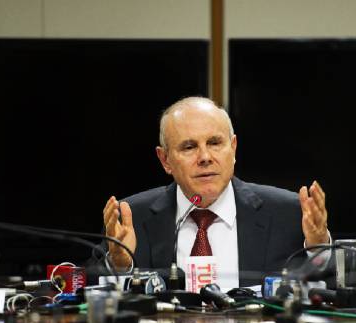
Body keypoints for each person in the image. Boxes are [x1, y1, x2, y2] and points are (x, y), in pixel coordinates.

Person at [102, 97, 330, 288]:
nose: (205, 157)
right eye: (189, 147)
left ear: (233, 148)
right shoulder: (130, 218)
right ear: (165, 160)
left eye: (214, 143)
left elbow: (332, 287)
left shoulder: (288, 213)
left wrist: (319, 247)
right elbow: (91, 290)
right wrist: (120, 266)